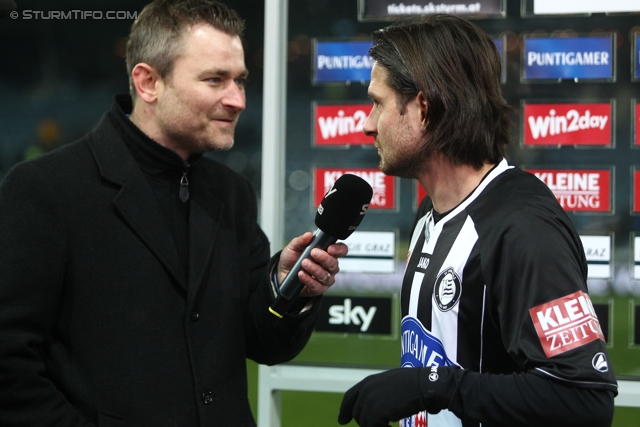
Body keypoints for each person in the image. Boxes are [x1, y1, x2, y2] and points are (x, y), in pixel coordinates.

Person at [0, 1, 347, 425]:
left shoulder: (231, 193)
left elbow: (262, 341)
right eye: (215, 80)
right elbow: (9, 363)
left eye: (240, 80)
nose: (237, 99)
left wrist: (285, 286)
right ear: (148, 82)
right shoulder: (46, 189)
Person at [338, 15, 617, 427]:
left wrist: (432, 386)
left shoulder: (523, 225)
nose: (366, 124)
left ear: (424, 108)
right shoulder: (430, 212)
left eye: (378, 103)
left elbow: (585, 401)